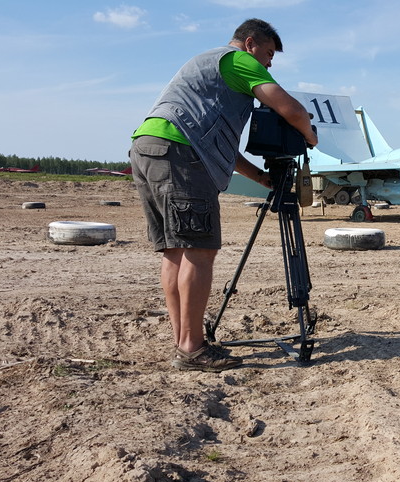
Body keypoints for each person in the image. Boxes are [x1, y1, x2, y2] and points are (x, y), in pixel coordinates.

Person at [129, 18, 317, 372]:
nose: (269, 64)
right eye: (268, 54)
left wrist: (262, 178)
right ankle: (192, 348)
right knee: (200, 250)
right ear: (250, 43)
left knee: (175, 250)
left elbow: (222, 149)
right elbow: (290, 109)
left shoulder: (206, 71)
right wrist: (310, 135)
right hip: (181, 153)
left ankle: (184, 340)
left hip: (150, 147)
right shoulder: (236, 60)